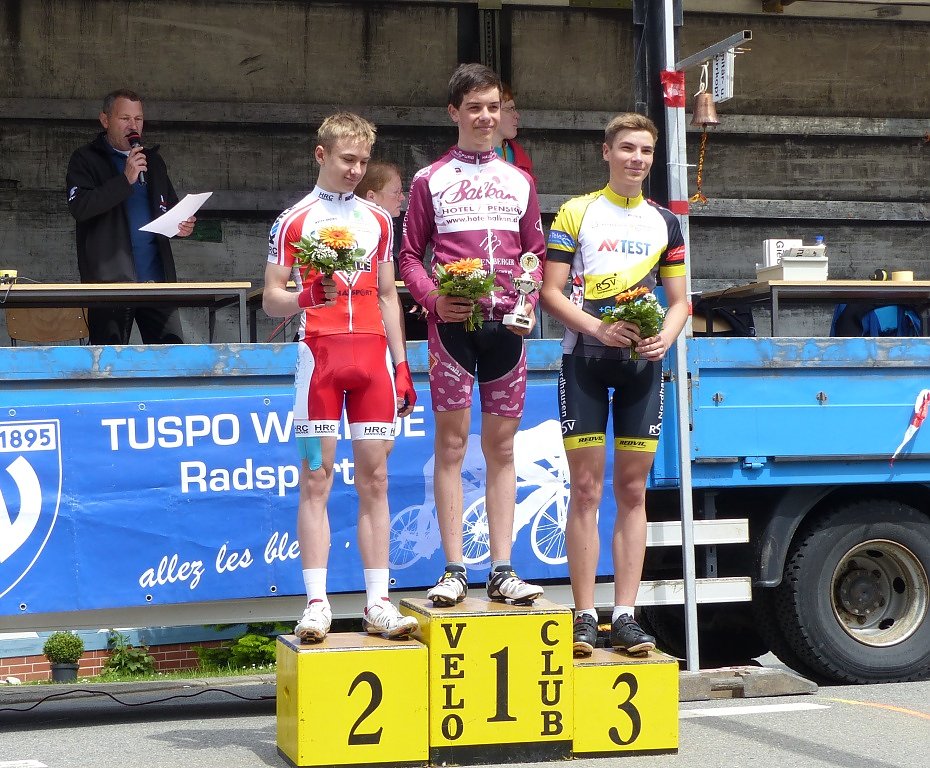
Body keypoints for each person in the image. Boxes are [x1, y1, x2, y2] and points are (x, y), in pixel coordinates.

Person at [263, 113, 418, 642]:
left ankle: (378, 602)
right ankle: (316, 603)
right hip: (319, 361)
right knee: (316, 479)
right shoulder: (293, 220)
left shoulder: (379, 220)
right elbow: (271, 298)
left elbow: (389, 294)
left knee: (376, 480)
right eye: (347, 159)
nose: (355, 170)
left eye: (363, 161)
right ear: (321, 155)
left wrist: (402, 365)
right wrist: (307, 296)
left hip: (373, 361)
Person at [539, 113, 688, 656]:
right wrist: (598, 328)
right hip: (584, 359)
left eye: (645, 151)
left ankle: (625, 615)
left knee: (631, 490)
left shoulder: (664, 221)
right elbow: (549, 293)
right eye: (627, 148)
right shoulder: (577, 211)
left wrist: (665, 336)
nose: (637, 159)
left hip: (641, 368)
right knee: (585, 489)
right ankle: (584, 615)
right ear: (606, 152)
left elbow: (680, 302)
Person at [399, 63, 546, 607]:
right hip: (453, 328)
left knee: (502, 447)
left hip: (507, 325)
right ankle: (455, 568)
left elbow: (535, 252)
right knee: (452, 446)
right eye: (475, 108)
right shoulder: (429, 179)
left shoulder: (520, 180)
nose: (485, 117)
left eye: (493, 107)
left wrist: (528, 301)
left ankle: (503, 569)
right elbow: (408, 256)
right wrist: (433, 299)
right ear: (454, 112)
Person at [66, 89, 196, 345]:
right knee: (109, 358)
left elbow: (169, 209)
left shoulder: (153, 161)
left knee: (171, 356)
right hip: (110, 284)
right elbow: (80, 207)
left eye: (138, 119)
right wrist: (125, 180)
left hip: (157, 280)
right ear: (105, 120)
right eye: (125, 118)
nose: (133, 126)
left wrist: (183, 225)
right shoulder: (85, 159)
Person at [492, 82, 542, 339]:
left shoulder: (520, 158)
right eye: (510, 109)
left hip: (519, 267)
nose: (517, 115)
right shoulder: (457, 161)